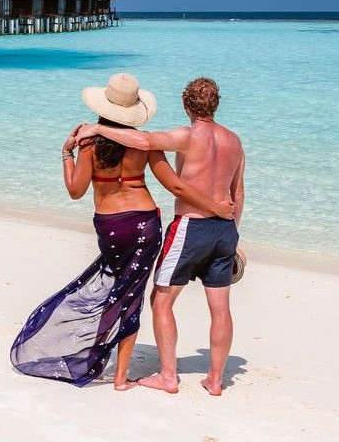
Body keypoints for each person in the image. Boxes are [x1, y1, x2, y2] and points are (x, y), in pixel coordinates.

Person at [10, 74, 234, 389]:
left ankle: (99, 360)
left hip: (111, 226)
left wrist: (67, 154)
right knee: (133, 295)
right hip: (145, 224)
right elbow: (173, 184)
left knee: (116, 289)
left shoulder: (88, 143)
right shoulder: (145, 145)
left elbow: (76, 191)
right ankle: (120, 377)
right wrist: (217, 210)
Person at [78, 77, 245, 396]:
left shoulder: (186, 136)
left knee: (162, 299)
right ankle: (214, 380)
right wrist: (234, 234)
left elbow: (144, 142)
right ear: (217, 103)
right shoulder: (235, 142)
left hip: (190, 228)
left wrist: (98, 129)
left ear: (186, 105)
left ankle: (169, 376)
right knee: (220, 307)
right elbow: (238, 192)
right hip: (225, 230)